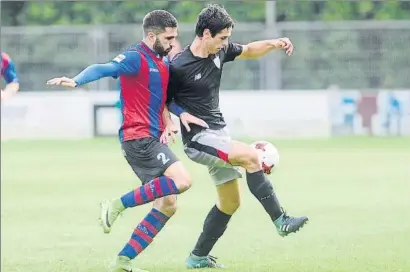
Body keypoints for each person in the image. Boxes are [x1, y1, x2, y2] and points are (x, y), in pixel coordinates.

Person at [46, 10, 207, 272]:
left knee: (168, 204)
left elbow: (164, 100)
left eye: (175, 37)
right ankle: (116, 205)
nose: (172, 43)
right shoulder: (135, 57)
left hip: (152, 138)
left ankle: (123, 261)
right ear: (151, 35)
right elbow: (105, 67)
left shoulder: (163, 61)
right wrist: (77, 80)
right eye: (168, 38)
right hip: (138, 137)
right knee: (182, 181)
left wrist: (172, 120)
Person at [166, 4, 309, 269]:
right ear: (206, 33)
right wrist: (180, 114)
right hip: (199, 139)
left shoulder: (220, 51)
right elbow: (164, 99)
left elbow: (250, 50)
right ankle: (281, 221)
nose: (226, 43)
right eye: (222, 38)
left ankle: (197, 257)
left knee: (230, 202)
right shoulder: (178, 65)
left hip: (218, 134)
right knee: (251, 157)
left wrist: (275, 43)